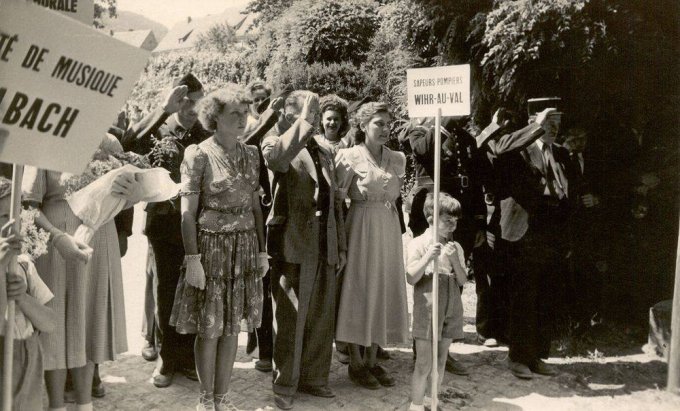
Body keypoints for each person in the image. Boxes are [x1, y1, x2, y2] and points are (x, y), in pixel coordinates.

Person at [169, 85, 268, 410]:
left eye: (245, 113)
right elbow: (187, 213)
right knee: (209, 328)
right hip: (210, 250)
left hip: (244, 249)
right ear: (214, 117)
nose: (242, 120)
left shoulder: (252, 154)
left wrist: (262, 251)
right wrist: (193, 258)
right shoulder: (197, 154)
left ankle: (223, 399)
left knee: (230, 331)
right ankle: (205, 400)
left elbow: (256, 207)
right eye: (234, 114)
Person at [22, 134, 130, 411]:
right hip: (56, 246)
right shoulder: (44, 138)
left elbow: (121, 201)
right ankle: (56, 405)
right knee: (55, 326)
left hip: (99, 239)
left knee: (88, 321)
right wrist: (58, 238)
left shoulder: (109, 143)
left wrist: (130, 192)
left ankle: (85, 404)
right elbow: (28, 205)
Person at [122, 73, 210, 387]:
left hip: (199, 224)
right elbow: (128, 142)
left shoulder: (205, 132)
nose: (190, 108)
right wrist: (163, 109)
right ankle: (166, 358)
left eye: (196, 102)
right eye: (184, 102)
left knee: (195, 291)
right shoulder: (159, 129)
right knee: (166, 291)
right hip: (163, 224)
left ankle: (187, 357)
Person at [262, 91, 346, 410]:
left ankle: (314, 377)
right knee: (290, 316)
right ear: (289, 115)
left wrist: (340, 245)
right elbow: (278, 160)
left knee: (321, 313)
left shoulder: (323, 150)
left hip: (324, 240)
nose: (312, 122)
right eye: (307, 115)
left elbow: (333, 198)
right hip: (292, 242)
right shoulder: (275, 142)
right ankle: (285, 382)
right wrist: (304, 121)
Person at [495, 98, 576, 379]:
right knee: (524, 295)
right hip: (525, 228)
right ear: (534, 119)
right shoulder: (520, 149)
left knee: (546, 295)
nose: (554, 127)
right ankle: (518, 357)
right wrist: (536, 128)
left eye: (558, 122)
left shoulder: (562, 155)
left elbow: (568, 195)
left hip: (552, 229)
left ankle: (538, 355)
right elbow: (499, 147)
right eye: (549, 121)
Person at [335, 102, 409, 390]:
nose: (385, 128)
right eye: (378, 123)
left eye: (388, 123)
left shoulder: (396, 158)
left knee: (383, 287)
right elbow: (338, 203)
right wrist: (341, 244)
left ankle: (372, 358)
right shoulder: (349, 157)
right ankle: (355, 362)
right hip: (360, 227)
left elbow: (396, 196)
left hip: (388, 227)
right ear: (363, 126)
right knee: (359, 290)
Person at [406, 193, 467, 411]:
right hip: (428, 303)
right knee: (424, 362)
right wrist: (428, 258)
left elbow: (462, 280)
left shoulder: (455, 247)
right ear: (431, 217)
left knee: (441, 359)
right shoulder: (419, 244)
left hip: (451, 302)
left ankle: (433, 399)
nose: (453, 224)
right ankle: (416, 405)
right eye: (447, 220)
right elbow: (411, 277)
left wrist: (453, 260)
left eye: (456, 220)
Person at [0, 178, 56, 411]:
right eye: (3, 217)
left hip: (27, 354)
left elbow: (50, 322)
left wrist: (23, 298)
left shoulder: (23, 265)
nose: (11, 223)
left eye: (14, 214)